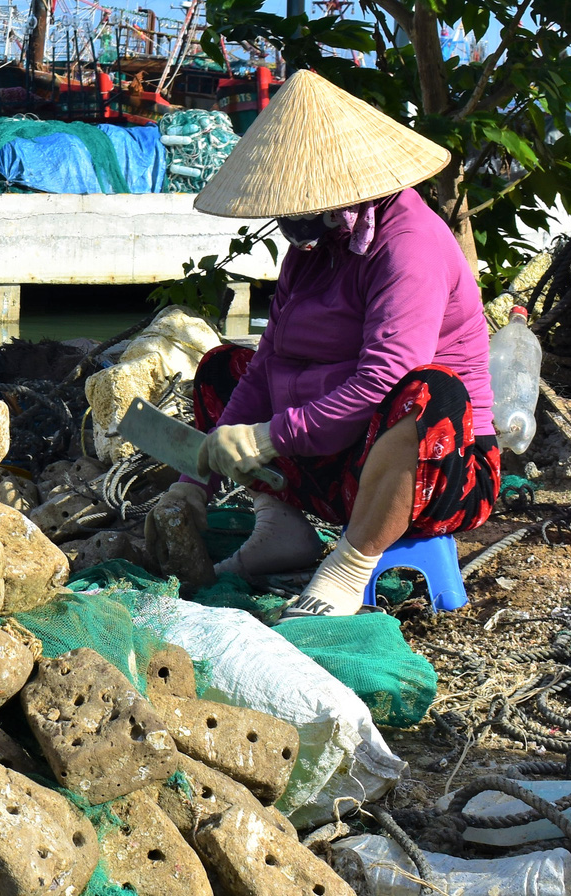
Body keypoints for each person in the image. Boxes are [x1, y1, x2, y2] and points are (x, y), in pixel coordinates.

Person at [146, 71, 496, 618]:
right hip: (332, 460)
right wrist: (196, 476)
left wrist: (269, 436)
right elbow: (268, 365)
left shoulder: (409, 246)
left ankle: (351, 563)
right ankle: (279, 527)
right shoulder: (314, 251)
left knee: (429, 393)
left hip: (434, 472)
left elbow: (384, 378)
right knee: (222, 368)